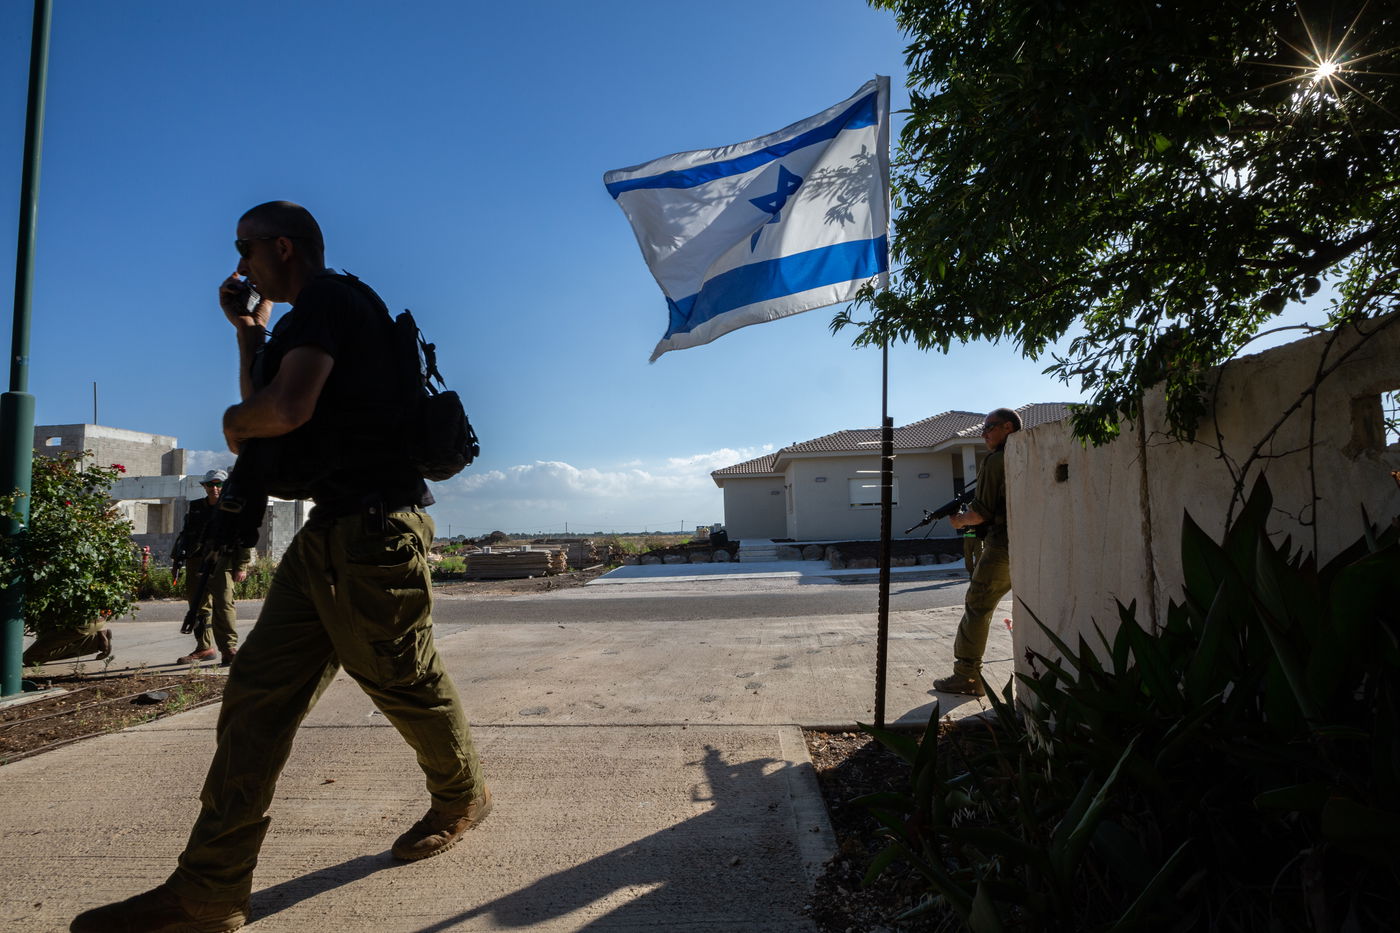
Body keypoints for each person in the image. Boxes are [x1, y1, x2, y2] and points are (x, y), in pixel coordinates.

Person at [72, 201, 489, 932]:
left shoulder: (329, 300)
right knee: (257, 695)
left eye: (245, 249)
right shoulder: (317, 313)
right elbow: (272, 406)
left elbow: (281, 411)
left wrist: (233, 425)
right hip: (332, 531)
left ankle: (462, 795)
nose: (239, 266)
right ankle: (210, 889)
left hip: (372, 532)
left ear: (283, 248)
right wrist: (250, 333)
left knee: (407, 685)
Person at [933, 408, 1021, 697]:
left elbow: (980, 512)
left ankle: (967, 677)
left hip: (1002, 544)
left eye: (989, 427)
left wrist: (960, 521)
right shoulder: (1024, 454)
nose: (984, 434)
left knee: (977, 604)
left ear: (1007, 427)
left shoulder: (996, 460)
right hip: (1026, 543)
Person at [172, 468, 251, 665]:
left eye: (219, 484)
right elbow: (186, 534)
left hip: (222, 564)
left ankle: (229, 649)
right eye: (210, 484)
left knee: (224, 607)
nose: (214, 488)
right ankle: (204, 648)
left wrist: (241, 565)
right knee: (198, 607)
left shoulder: (234, 507)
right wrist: (178, 559)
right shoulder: (196, 506)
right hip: (195, 562)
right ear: (204, 486)